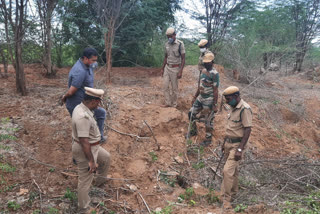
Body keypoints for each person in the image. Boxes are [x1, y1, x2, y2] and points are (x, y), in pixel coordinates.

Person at [72, 87, 111, 213]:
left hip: (92, 147)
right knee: (84, 180)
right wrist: (91, 162)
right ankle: (83, 207)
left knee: (105, 158)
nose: (99, 106)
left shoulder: (82, 107)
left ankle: (99, 183)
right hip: (85, 150)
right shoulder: (83, 116)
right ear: (93, 101)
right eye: (98, 103)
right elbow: (84, 141)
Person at [61, 47, 106, 142]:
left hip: (86, 101)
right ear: (85, 58)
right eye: (93, 60)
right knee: (83, 127)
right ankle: (84, 146)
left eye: (96, 60)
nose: (95, 63)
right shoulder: (80, 71)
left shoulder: (88, 65)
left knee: (100, 113)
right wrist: (64, 97)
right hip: (77, 104)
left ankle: (98, 138)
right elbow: (71, 91)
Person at [220, 86, 252, 209]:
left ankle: (226, 199)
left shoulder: (245, 109)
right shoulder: (233, 108)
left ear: (236, 96)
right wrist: (224, 144)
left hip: (237, 145)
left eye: (228, 99)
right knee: (233, 171)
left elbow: (248, 129)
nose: (227, 102)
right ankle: (233, 194)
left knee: (227, 171)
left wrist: (240, 149)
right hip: (228, 144)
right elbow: (231, 128)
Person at [187, 52, 219, 146]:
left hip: (209, 99)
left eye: (208, 62)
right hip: (201, 98)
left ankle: (208, 140)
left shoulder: (215, 74)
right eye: (205, 62)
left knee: (208, 120)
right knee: (191, 113)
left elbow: (215, 90)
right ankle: (193, 131)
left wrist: (215, 105)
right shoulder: (204, 71)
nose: (206, 63)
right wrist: (194, 97)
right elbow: (200, 85)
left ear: (212, 62)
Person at [160, 27, 185, 108]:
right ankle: (168, 103)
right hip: (167, 67)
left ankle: (174, 104)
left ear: (175, 35)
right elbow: (165, 57)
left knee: (174, 88)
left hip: (175, 68)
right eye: (168, 37)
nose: (169, 38)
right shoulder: (166, 44)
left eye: (171, 36)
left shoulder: (180, 44)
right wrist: (162, 68)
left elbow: (183, 58)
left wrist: (180, 71)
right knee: (165, 86)